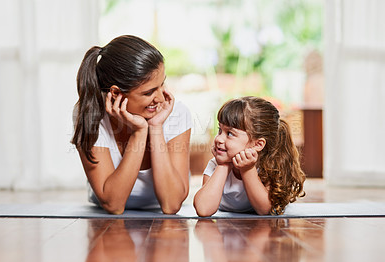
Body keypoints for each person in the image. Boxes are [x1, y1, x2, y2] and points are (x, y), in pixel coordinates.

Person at [72, 35, 192, 215]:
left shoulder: (176, 113)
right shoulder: (90, 114)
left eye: (162, 84)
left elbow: (171, 204)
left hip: (161, 218)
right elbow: (114, 204)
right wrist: (139, 132)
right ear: (116, 93)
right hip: (107, 222)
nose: (160, 98)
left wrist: (156, 127)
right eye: (149, 92)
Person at [193, 96, 305, 216]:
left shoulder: (269, 165)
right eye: (220, 130)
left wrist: (247, 169)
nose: (219, 138)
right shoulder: (215, 165)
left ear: (257, 144)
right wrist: (223, 166)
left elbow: (265, 210)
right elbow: (203, 209)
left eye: (230, 133)